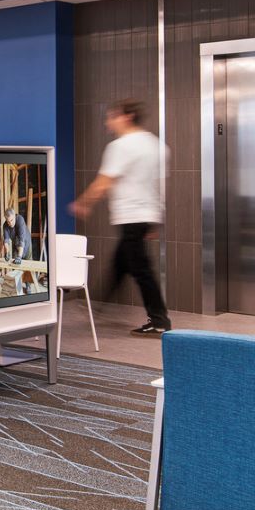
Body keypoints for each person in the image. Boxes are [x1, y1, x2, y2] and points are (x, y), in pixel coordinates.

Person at [72, 98, 170, 334]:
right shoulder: (157, 145)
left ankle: (160, 321)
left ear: (126, 117)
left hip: (130, 215)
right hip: (145, 214)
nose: (108, 123)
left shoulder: (121, 146)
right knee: (122, 263)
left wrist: (83, 202)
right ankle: (98, 304)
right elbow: (159, 184)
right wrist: (155, 220)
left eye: (111, 117)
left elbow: (105, 181)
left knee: (140, 269)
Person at [2, 206, 32, 292]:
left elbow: (22, 240)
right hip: (16, 243)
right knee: (15, 265)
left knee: (27, 264)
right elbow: (6, 241)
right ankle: (18, 286)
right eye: (8, 221)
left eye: (11, 220)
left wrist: (19, 256)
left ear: (14, 216)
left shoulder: (20, 220)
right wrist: (7, 252)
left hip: (26, 242)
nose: (10, 223)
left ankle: (28, 285)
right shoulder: (5, 226)